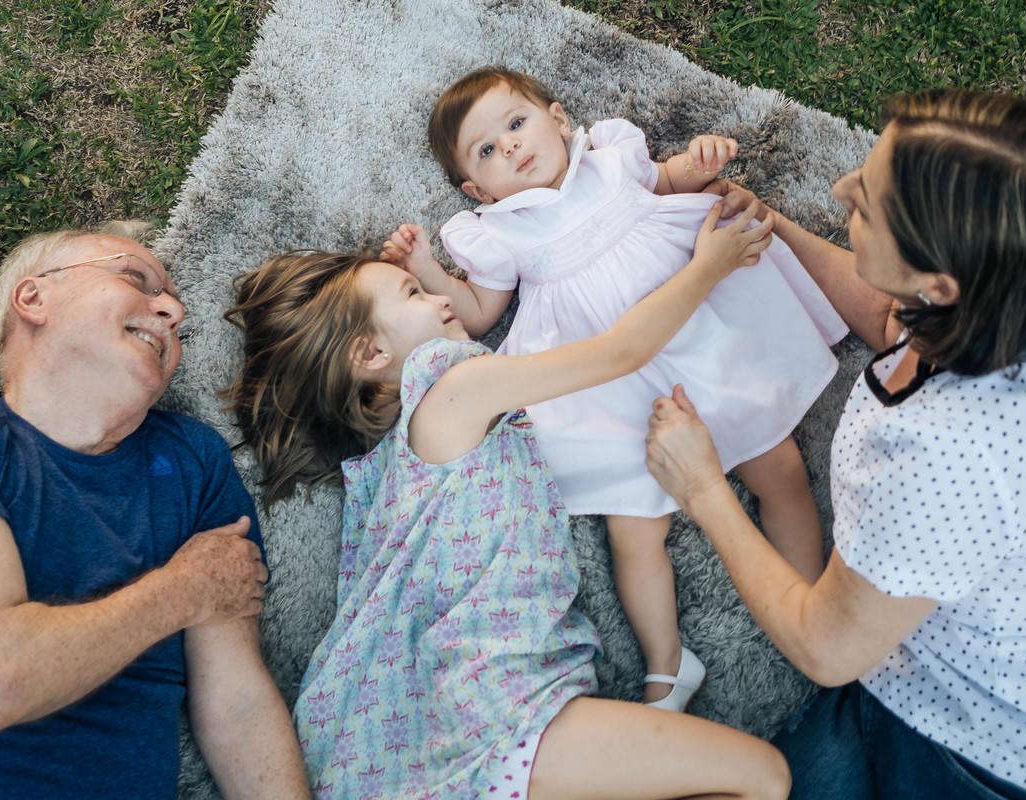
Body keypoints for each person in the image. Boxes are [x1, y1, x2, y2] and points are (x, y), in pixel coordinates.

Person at [221, 202, 789, 799]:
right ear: (370, 356)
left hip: (448, 724)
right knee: (762, 776)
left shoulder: (382, 473)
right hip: (492, 708)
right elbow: (620, 351)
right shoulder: (454, 387)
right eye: (415, 294)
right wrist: (708, 268)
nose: (441, 300)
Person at [645, 89, 1026, 800]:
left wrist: (701, 488)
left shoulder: (943, 457)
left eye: (865, 204)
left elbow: (826, 647)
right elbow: (894, 319)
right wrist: (774, 227)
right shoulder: (1023, 295)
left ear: (942, 284)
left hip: (988, 750)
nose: (837, 186)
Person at [381, 66, 848, 710]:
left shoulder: (610, 158)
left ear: (561, 119)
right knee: (633, 524)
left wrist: (696, 159)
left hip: (698, 334)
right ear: (475, 189)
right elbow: (483, 315)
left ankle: (805, 603)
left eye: (517, 125)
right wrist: (428, 268)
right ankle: (666, 662)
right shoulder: (496, 230)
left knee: (779, 464)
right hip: (606, 379)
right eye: (487, 151)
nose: (511, 147)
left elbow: (671, 179)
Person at [0, 225, 310, 799]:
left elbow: (236, 701)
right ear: (34, 298)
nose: (173, 310)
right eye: (136, 279)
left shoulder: (193, 459)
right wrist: (184, 591)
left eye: (175, 309)